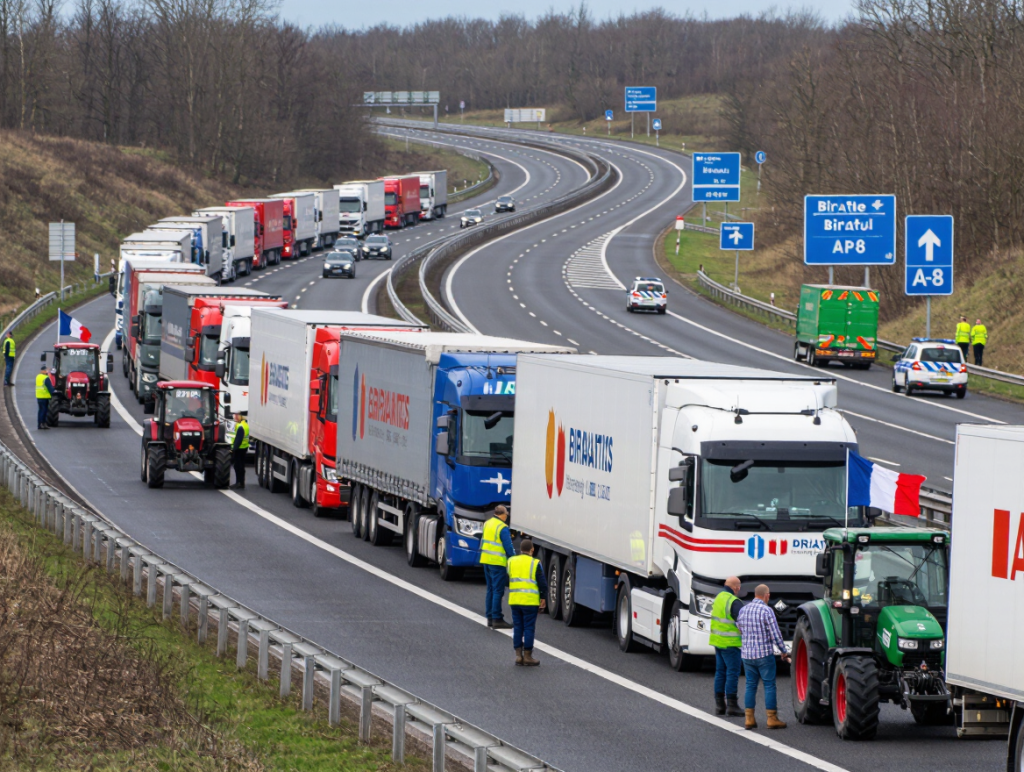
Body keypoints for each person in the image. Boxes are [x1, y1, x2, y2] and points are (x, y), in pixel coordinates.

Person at [736, 584, 790, 730]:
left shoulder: (743, 610)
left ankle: (749, 719)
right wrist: (784, 651)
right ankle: (772, 719)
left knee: (750, 685)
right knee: (769, 685)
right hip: (764, 655)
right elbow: (775, 634)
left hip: (747, 655)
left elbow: (739, 628)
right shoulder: (767, 611)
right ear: (767, 595)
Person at [506, 538, 547, 666]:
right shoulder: (535, 563)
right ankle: (528, 656)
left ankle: (518, 655)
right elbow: (542, 584)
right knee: (529, 627)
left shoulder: (511, 561)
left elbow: (509, 578)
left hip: (515, 600)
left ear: (520, 550)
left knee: (518, 626)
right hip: (530, 602)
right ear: (532, 550)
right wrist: (543, 598)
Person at [711, 576, 746, 717]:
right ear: (736, 587)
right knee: (733, 672)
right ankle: (732, 704)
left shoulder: (719, 597)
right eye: (739, 587)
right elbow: (743, 622)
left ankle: (720, 705)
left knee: (720, 672)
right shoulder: (734, 602)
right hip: (731, 643)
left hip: (718, 641)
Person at [479, 504, 515, 629]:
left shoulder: (487, 523)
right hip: (497, 562)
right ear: (503, 514)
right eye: (507, 515)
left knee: (490, 589)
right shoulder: (502, 528)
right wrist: (514, 560)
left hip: (486, 560)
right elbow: (508, 547)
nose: (507, 517)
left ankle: (489, 618)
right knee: (498, 591)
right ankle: (497, 618)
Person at [231, 412, 249, 489]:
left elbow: (238, 440)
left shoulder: (240, 426)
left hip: (239, 449)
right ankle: (241, 483)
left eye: (237, 415)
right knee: (241, 466)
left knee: (238, 466)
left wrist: (233, 449)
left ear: (241, 416)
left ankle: (239, 482)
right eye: (235, 414)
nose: (235, 416)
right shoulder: (245, 425)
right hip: (244, 448)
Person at [35, 364, 53, 430]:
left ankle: (39, 424)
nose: (47, 371)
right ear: (43, 371)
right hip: (44, 397)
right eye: (47, 370)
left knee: (40, 411)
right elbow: (50, 388)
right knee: (44, 411)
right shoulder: (45, 378)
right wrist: (55, 392)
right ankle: (43, 423)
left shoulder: (38, 376)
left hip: (39, 396)